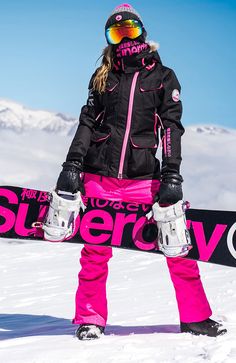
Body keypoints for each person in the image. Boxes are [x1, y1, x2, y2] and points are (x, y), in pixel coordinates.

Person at [56, 4, 227, 340]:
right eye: (115, 34)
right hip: (99, 177)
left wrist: (172, 174)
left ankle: (195, 316)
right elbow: (88, 123)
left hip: (144, 179)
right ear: (108, 40)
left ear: (142, 33)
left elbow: (171, 126)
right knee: (94, 253)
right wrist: (72, 165)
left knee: (178, 246)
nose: (123, 39)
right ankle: (90, 319)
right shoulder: (104, 77)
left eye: (129, 31)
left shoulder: (163, 77)